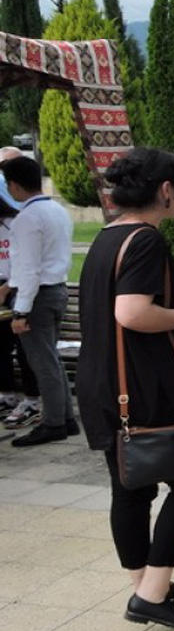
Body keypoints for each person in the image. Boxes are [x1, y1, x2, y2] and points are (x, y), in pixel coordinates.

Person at [76, 147, 174, 629]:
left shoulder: (106, 237)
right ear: (165, 191)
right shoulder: (145, 241)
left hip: (104, 385)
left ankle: (144, 583)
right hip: (142, 388)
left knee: (131, 487)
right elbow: (132, 312)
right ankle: (153, 593)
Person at [1, 155, 77, 446]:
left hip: (38, 295)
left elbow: (28, 269)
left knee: (42, 362)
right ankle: (65, 418)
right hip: (55, 289)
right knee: (51, 359)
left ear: (15, 186)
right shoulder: (56, 211)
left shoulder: (27, 218)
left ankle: (53, 422)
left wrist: (20, 311)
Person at [0, 148, 39, 426]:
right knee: (1, 347)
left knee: (25, 349)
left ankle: (32, 399)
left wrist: (7, 289)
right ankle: (7, 394)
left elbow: (25, 262)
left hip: (16, 288)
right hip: (7, 287)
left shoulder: (18, 220)